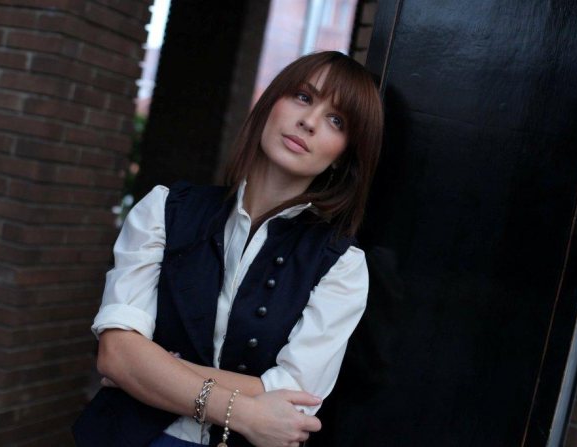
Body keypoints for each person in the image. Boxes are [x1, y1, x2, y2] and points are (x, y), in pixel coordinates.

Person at [73, 50, 384, 447]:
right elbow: (116, 355)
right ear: (271, 104)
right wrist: (244, 412)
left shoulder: (342, 265)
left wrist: (148, 368)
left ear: (343, 156)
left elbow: (295, 396)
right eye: (304, 97)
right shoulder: (164, 209)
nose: (308, 121)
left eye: (336, 120)